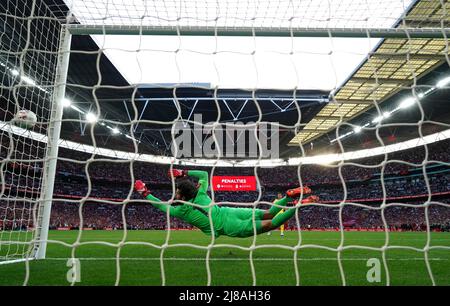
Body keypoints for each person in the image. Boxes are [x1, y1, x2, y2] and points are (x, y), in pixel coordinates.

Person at [134, 169, 319, 238]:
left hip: (227, 225)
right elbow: (204, 175)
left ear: (181, 196)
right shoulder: (200, 192)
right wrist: (183, 172)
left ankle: (299, 204)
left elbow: (160, 205)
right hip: (229, 211)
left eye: (176, 192)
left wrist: (145, 192)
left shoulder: (182, 210)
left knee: (273, 223)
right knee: (270, 214)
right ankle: (288, 197)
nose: (174, 193)